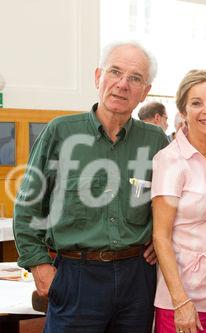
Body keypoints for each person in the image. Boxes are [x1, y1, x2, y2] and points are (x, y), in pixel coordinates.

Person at [13, 41, 169, 332]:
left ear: (145, 91)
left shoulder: (156, 142)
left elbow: (174, 206)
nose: (122, 84)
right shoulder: (60, 132)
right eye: (115, 72)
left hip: (138, 277)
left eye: (135, 78)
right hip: (76, 276)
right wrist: (38, 265)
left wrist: (161, 244)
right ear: (98, 77)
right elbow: (27, 206)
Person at [152, 69, 206, 333]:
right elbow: (161, 236)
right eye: (196, 103)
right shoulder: (170, 161)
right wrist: (181, 302)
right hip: (184, 296)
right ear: (183, 111)